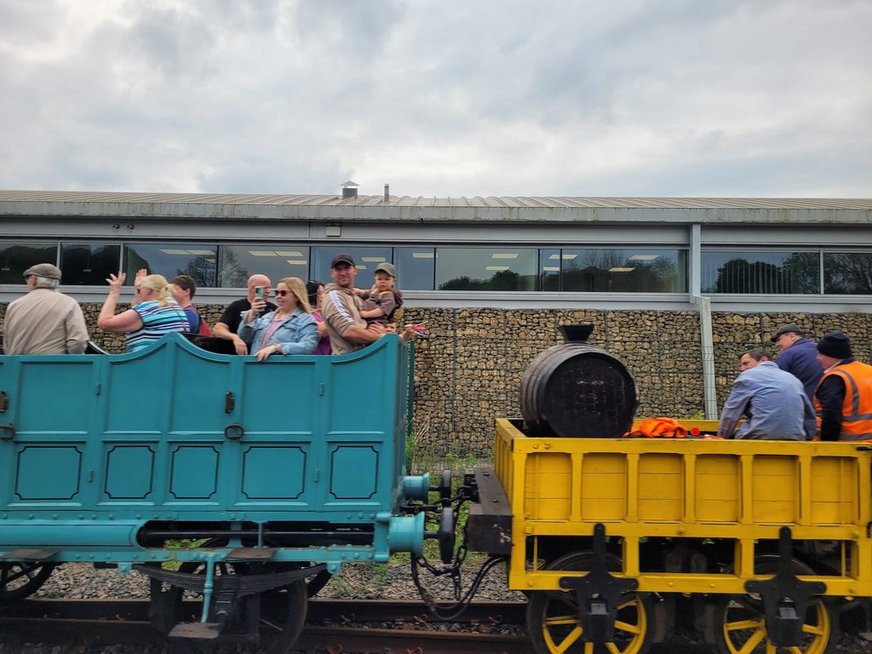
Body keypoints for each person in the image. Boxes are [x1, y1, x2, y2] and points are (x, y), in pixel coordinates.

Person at [717, 348, 815, 440]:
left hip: (758, 437)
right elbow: (808, 414)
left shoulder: (748, 376)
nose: (742, 369)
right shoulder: (793, 379)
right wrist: (808, 438)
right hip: (795, 438)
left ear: (763, 360)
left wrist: (722, 437)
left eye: (746, 363)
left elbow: (731, 411)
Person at [3, 263, 89, 355]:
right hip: (54, 365)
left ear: (33, 279)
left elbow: (7, 341)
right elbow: (78, 342)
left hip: (16, 365)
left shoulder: (14, 305)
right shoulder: (69, 303)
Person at [97, 272, 188, 352]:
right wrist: (138, 288)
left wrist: (114, 293)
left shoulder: (148, 309)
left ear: (148, 291)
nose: (139, 293)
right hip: (167, 360)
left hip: (145, 363)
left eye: (140, 290)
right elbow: (137, 311)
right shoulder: (175, 306)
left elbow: (104, 323)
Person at [321, 254, 391, 355]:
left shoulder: (356, 297)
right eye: (338, 269)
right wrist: (381, 337)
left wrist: (382, 330)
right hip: (347, 362)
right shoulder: (334, 297)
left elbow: (368, 324)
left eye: (347, 268)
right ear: (332, 273)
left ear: (355, 270)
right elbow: (349, 331)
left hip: (364, 359)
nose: (343, 273)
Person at [237, 277, 318, 361]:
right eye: (276, 293)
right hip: (256, 367)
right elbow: (244, 337)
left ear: (296, 296)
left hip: (281, 369)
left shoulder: (305, 319)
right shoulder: (267, 317)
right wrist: (252, 315)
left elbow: (309, 346)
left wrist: (277, 348)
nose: (278, 296)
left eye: (283, 293)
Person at [814, 332, 872, 441]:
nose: (817, 358)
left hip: (851, 447)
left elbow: (831, 417)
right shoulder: (869, 370)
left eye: (820, 354)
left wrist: (827, 446)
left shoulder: (836, 377)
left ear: (833, 356)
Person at [212, 274, 276, 354]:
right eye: (265, 288)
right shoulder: (236, 306)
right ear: (252, 288)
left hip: (261, 357)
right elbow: (218, 329)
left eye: (269, 288)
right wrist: (235, 337)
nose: (268, 291)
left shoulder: (273, 310)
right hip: (236, 356)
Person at [770, 324, 823, 402]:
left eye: (779, 339)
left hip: (804, 406)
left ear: (792, 336)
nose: (776, 344)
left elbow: (776, 383)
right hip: (828, 403)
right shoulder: (821, 349)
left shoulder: (788, 354)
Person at [357, 262, 404, 328]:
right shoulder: (375, 291)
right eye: (379, 279)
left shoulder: (389, 296)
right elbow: (366, 294)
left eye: (386, 279)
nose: (383, 281)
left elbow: (382, 311)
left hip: (377, 323)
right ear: (375, 280)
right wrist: (358, 291)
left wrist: (367, 314)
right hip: (367, 320)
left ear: (393, 281)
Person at [306, 280, 332, 355]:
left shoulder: (326, 313)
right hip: (316, 359)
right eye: (320, 293)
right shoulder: (308, 314)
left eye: (325, 292)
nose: (324, 295)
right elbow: (320, 330)